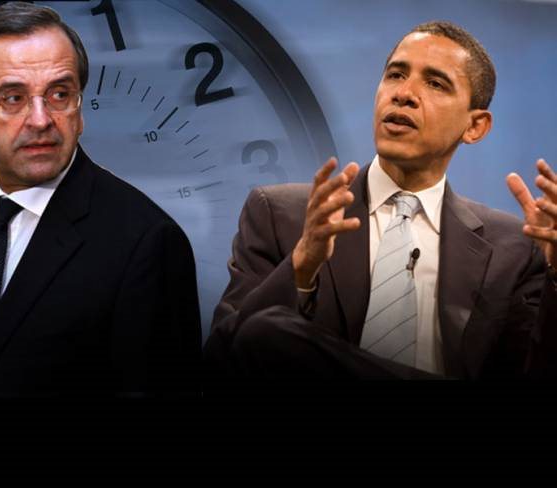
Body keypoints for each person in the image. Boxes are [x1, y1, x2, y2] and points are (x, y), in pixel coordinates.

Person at [204, 21, 557, 385]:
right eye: (395, 75)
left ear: (475, 126)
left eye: (435, 83)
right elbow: (223, 361)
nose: (404, 94)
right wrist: (302, 267)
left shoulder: (514, 249)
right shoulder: (281, 215)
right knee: (263, 330)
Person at [0, 2, 201, 397]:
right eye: (13, 98)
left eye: (59, 94)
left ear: (80, 108)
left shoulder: (148, 242)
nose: (41, 119)